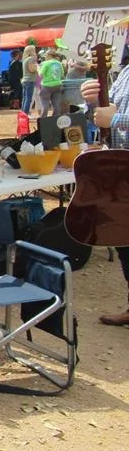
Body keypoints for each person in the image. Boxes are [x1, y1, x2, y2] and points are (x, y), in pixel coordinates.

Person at [80, 63, 129, 325]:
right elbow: (105, 120)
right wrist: (93, 105)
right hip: (120, 174)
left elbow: (116, 118)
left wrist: (117, 119)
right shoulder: (125, 73)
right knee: (124, 242)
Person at [39, 49, 65, 117]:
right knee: (56, 105)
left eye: (46, 55)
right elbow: (62, 75)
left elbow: (40, 74)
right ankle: (55, 120)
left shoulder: (45, 63)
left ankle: (43, 121)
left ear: (50, 55)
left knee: (45, 105)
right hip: (58, 85)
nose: (45, 56)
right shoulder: (59, 63)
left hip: (47, 85)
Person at [21, 44, 40, 116]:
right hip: (30, 80)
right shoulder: (31, 59)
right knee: (28, 99)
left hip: (25, 80)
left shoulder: (25, 59)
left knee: (25, 98)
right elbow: (32, 70)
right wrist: (37, 67)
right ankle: (25, 114)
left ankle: (23, 114)